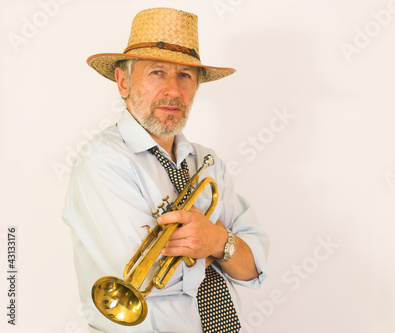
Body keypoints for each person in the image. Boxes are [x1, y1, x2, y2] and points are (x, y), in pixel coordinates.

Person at [63, 7, 269, 333]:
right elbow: (145, 278)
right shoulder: (101, 161)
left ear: (197, 86)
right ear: (123, 82)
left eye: (185, 75)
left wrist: (214, 241)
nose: (173, 90)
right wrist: (226, 247)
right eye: (157, 72)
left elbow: (254, 267)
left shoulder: (207, 160)